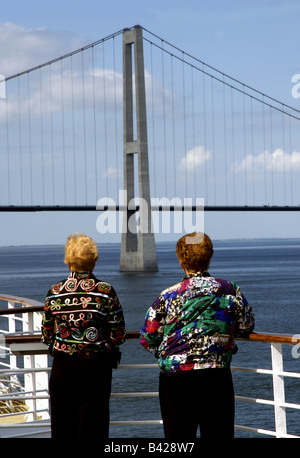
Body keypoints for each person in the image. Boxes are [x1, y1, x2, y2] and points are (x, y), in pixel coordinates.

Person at [140, 232, 255, 439]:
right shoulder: (229, 290)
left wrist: (164, 354)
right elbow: (246, 325)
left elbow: (148, 336)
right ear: (209, 258)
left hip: (176, 377)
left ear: (180, 260)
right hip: (216, 374)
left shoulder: (167, 296)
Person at [41, 233, 126, 438]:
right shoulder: (105, 291)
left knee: (62, 426)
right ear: (93, 262)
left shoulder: (55, 291)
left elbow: (46, 335)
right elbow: (119, 334)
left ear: (68, 262)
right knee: (93, 426)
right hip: (95, 368)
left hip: (63, 367)